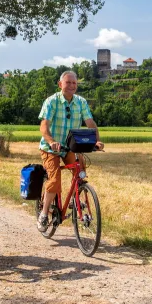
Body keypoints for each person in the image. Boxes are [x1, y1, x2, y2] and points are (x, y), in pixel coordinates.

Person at [37, 70, 104, 231]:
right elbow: (44, 126)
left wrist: (97, 140)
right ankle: (44, 214)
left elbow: (90, 123)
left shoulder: (81, 102)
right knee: (54, 180)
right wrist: (51, 142)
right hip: (51, 148)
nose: (72, 86)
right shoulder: (52, 101)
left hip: (70, 146)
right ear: (60, 84)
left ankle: (76, 198)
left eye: (74, 83)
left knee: (80, 170)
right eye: (68, 82)